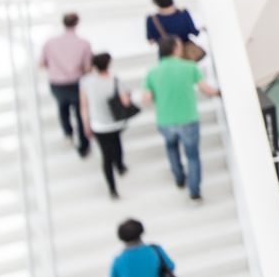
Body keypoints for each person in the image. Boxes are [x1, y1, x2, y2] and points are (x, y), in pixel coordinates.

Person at [143, 37, 218, 201]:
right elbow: (207, 89)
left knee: (171, 149)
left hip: (165, 121)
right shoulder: (190, 67)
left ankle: (179, 178)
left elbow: (147, 98)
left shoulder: (152, 72)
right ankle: (194, 191)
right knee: (192, 156)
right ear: (176, 49)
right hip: (188, 119)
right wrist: (219, 93)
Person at [39, 12, 94, 158]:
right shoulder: (83, 43)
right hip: (76, 82)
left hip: (57, 83)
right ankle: (83, 146)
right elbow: (88, 68)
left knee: (62, 108)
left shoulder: (50, 43)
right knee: (80, 113)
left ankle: (68, 134)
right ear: (77, 24)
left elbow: (42, 63)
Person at [82, 53, 132, 198]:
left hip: (98, 125)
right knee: (117, 143)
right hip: (115, 123)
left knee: (106, 156)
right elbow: (126, 103)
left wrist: (86, 125)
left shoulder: (86, 82)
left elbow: (84, 106)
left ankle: (112, 188)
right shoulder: (115, 81)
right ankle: (120, 166)